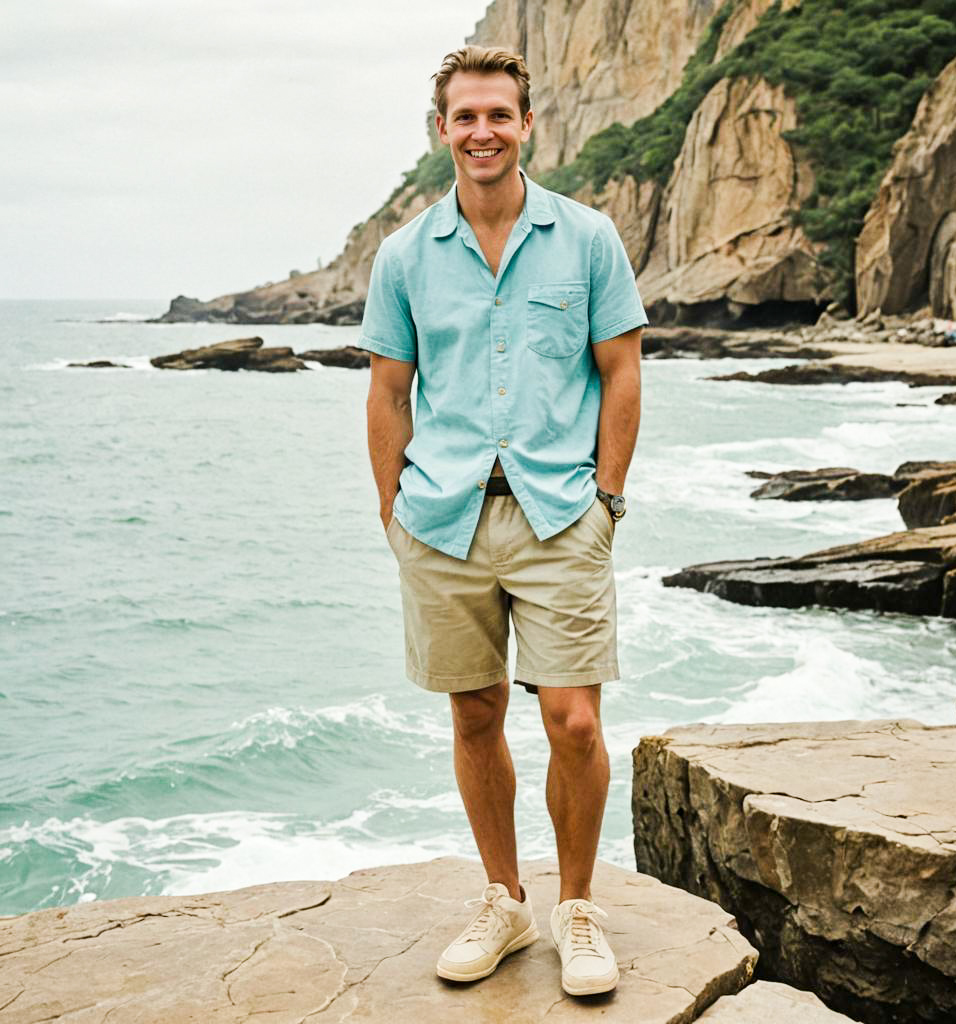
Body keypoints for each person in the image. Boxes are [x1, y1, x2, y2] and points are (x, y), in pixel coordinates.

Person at [360, 43, 646, 997]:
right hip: (442, 518)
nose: (481, 132)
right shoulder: (405, 254)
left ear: (528, 124)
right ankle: (504, 900)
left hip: (562, 512)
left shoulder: (588, 237)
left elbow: (621, 372)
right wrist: (392, 513)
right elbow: (390, 392)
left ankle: (576, 908)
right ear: (442, 129)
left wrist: (607, 499)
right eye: (464, 116)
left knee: (571, 720)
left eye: (498, 115)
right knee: (476, 711)